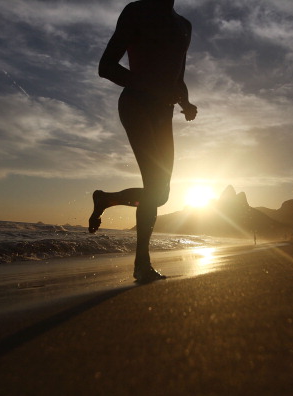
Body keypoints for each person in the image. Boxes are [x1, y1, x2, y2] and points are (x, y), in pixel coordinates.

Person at [88, 0, 197, 283]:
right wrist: (153, 86)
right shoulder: (136, 11)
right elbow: (106, 66)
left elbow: (178, 75)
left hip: (164, 113)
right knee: (154, 186)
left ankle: (106, 199)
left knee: (160, 194)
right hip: (136, 105)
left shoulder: (184, 25)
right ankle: (142, 264)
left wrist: (185, 102)